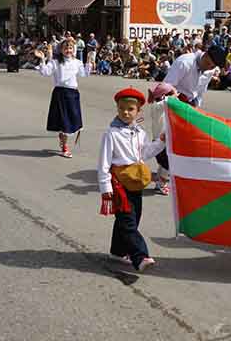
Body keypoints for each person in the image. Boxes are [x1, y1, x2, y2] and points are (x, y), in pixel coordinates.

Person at [97, 87, 164, 272]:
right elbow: (104, 162)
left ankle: (118, 252)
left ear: (138, 111)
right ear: (117, 108)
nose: (125, 112)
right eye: (121, 108)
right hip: (119, 182)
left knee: (131, 218)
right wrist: (105, 187)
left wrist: (161, 142)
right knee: (128, 221)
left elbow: (144, 153)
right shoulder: (111, 134)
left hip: (136, 181)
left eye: (130, 109)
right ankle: (140, 256)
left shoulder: (139, 133)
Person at [35, 39, 90, 158]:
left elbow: (84, 74)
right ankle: (65, 146)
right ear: (61, 50)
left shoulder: (77, 62)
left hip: (73, 94)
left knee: (71, 121)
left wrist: (90, 61)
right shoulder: (56, 62)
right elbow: (45, 72)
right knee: (64, 122)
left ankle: (62, 139)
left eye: (70, 48)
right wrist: (43, 59)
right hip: (60, 93)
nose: (68, 50)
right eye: (66, 48)